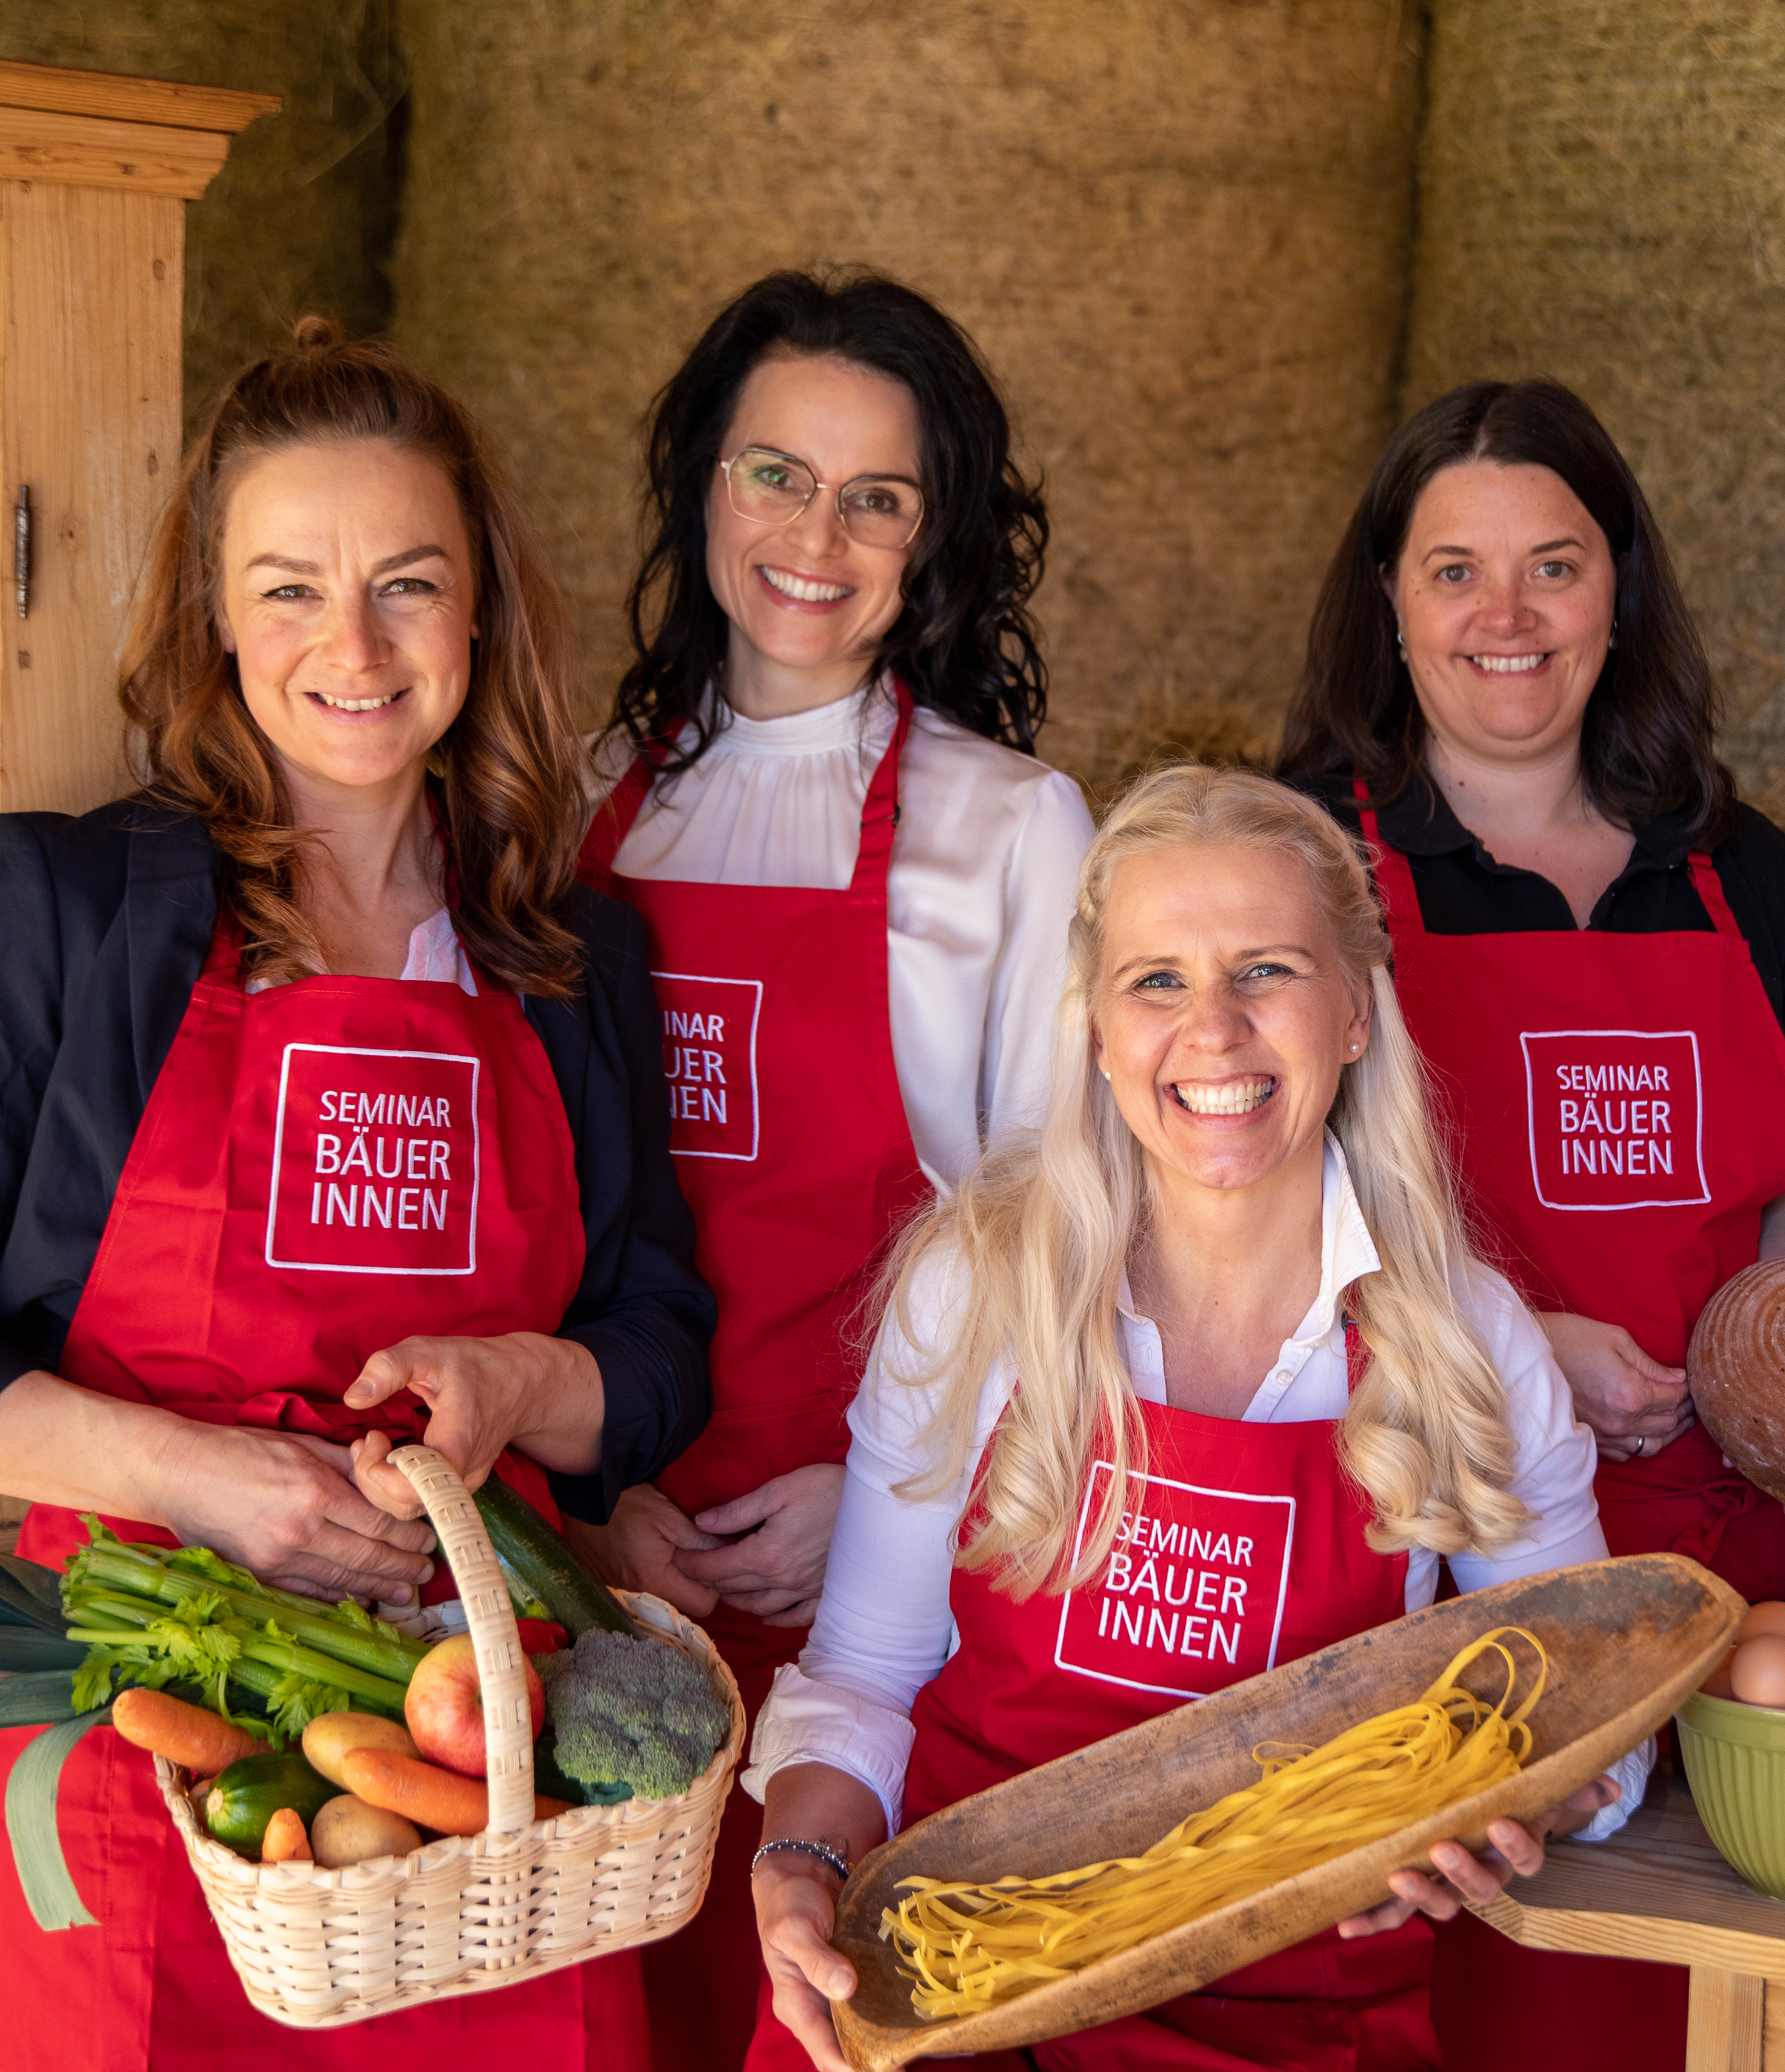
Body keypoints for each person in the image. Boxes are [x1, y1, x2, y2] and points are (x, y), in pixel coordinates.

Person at [0, 319, 714, 2072]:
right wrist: (204, 1479)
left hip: (485, 1774)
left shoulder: (568, 957)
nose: (354, 645)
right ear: (214, 621)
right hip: (153, 1742)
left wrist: (526, 1384)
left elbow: (661, 1341)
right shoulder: (63, 912)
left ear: (480, 615)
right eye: (290, 588)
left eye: (409, 584)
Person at [742, 765, 1643, 2072]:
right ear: (1097, 1030)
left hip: (1302, 2018)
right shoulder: (976, 1286)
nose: (1210, 1030)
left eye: (1265, 970)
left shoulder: (1465, 1339)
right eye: (1155, 979)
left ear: (1352, 1013)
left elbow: (1594, 1707)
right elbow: (866, 1674)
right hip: (964, 1997)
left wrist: (1531, 1801)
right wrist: (799, 1857)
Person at [572, 269, 1096, 2065]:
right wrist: (586, 1508)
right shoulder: (581, 800)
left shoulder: (1010, 825)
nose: (818, 534)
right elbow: (528, 1224)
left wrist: (886, 1509)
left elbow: (1064, 1243)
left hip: (876, 1606)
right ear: (699, 489)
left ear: (933, 544)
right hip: (600, 1587)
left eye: (878, 498)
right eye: (774, 474)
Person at [1277, 378, 1785, 2072]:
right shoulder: (1310, 863)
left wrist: (1781, 1335)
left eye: (1554, 567)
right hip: (1457, 1567)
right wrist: (1512, 1349)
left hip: (1750, 1564)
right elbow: (1225, 1208)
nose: (1503, 617)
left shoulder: (1747, 870)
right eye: (1452, 569)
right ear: (1386, 597)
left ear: (1620, 590)